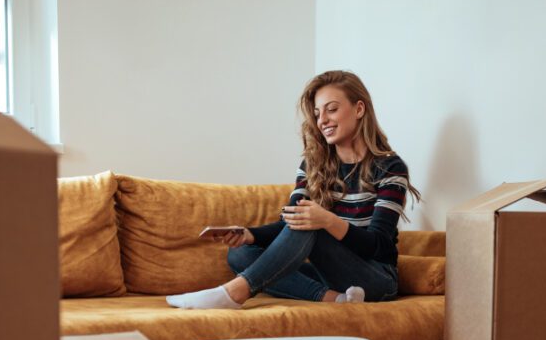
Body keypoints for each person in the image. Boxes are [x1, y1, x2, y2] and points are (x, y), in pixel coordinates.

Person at [167, 70, 421, 310]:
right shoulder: (313, 165)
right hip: (330, 277)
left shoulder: (389, 167)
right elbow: (291, 226)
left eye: (331, 109)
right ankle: (338, 299)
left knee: (312, 225)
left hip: (375, 278)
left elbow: (379, 246)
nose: (322, 120)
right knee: (240, 254)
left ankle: (234, 293)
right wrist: (250, 235)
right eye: (318, 113)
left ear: (359, 109)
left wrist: (327, 221)